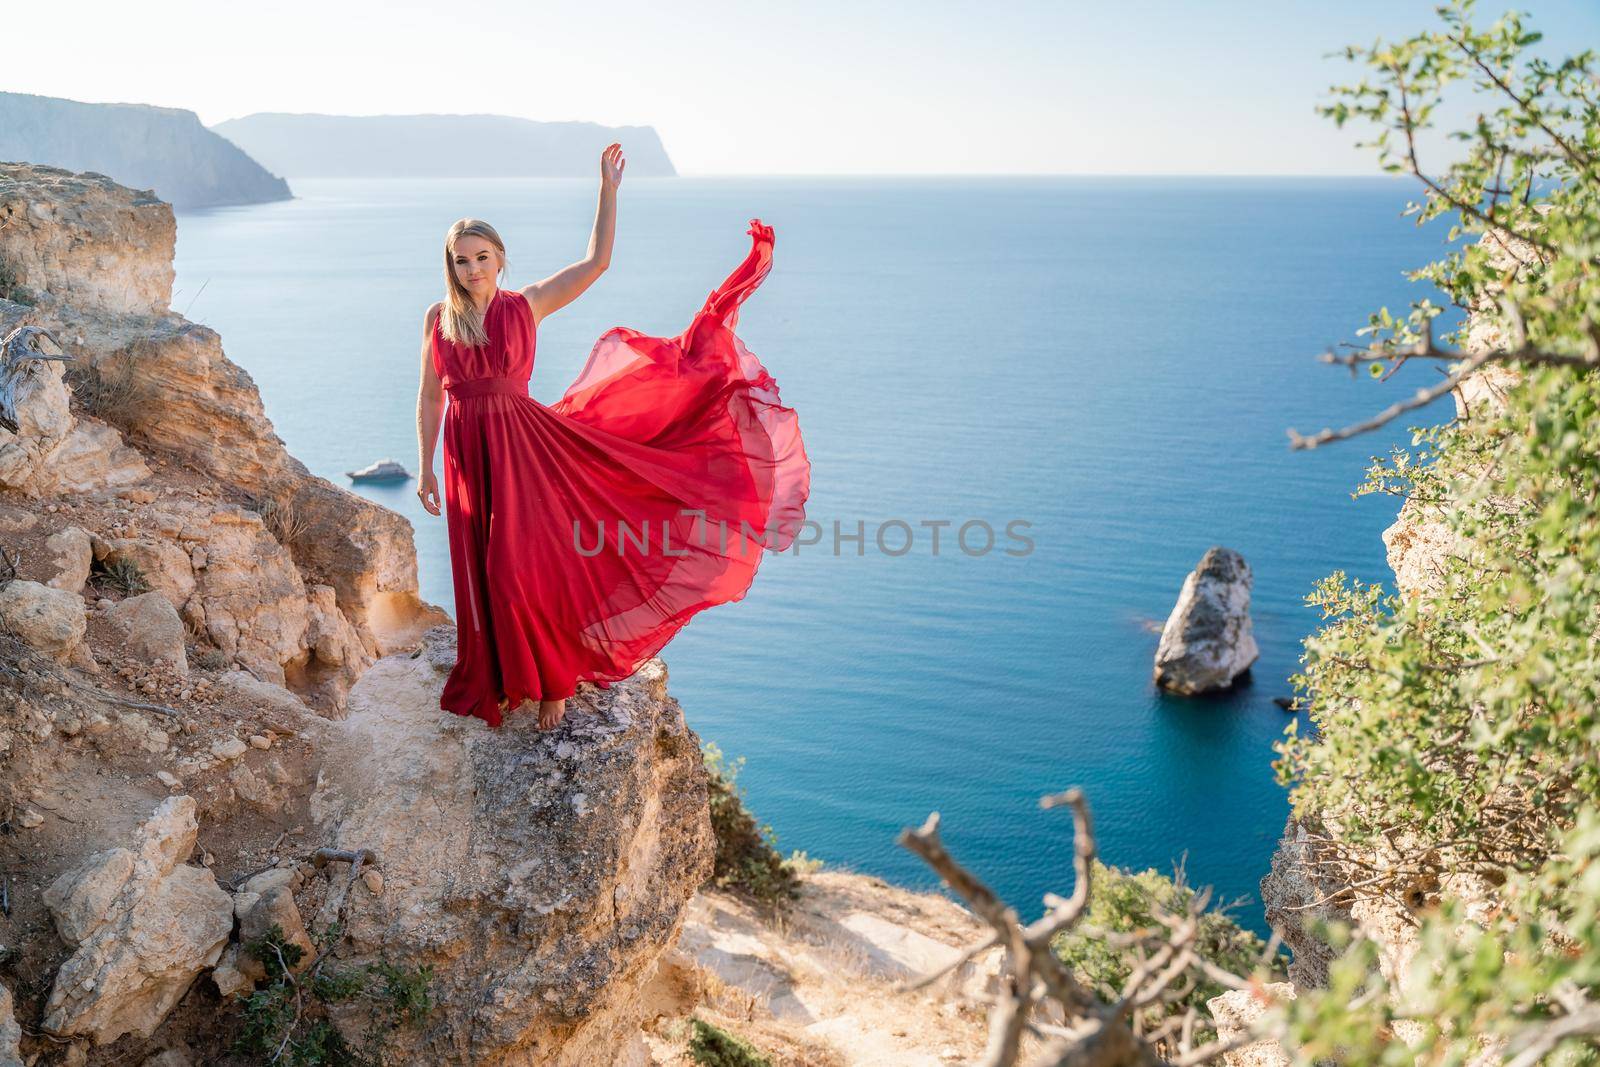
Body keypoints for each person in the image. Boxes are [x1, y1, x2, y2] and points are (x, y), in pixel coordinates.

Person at [416, 143, 810, 732]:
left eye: (481, 257)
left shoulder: (526, 306)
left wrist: (608, 189)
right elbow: (429, 396)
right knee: (479, 568)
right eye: (461, 261)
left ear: (500, 259)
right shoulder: (438, 319)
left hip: (523, 450)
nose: (471, 269)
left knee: (516, 567)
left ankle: (553, 682)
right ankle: (500, 674)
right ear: (451, 267)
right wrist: (425, 467)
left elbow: (596, 262)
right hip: (465, 454)